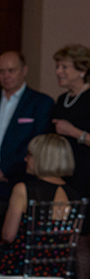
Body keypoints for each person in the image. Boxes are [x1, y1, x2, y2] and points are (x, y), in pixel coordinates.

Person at [0, 134, 80, 276]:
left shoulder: (23, 190)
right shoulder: (74, 195)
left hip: (21, 269)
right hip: (57, 271)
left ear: (43, 159)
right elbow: (72, 241)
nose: (25, 159)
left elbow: (8, 236)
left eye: (30, 155)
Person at [0, 51, 53, 200]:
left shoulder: (41, 103)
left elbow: (37, 141)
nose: (6, 76)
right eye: (1, 71)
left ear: (24, 70)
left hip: (23, 182)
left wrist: (3, 169)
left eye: (11, 70)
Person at [49, 44, 90, 198]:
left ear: (82, 70)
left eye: (64, 67)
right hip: (64, 175)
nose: (58, 72)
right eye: (57, 67)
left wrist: (73, 132)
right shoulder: (62, 100)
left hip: (86, 177)